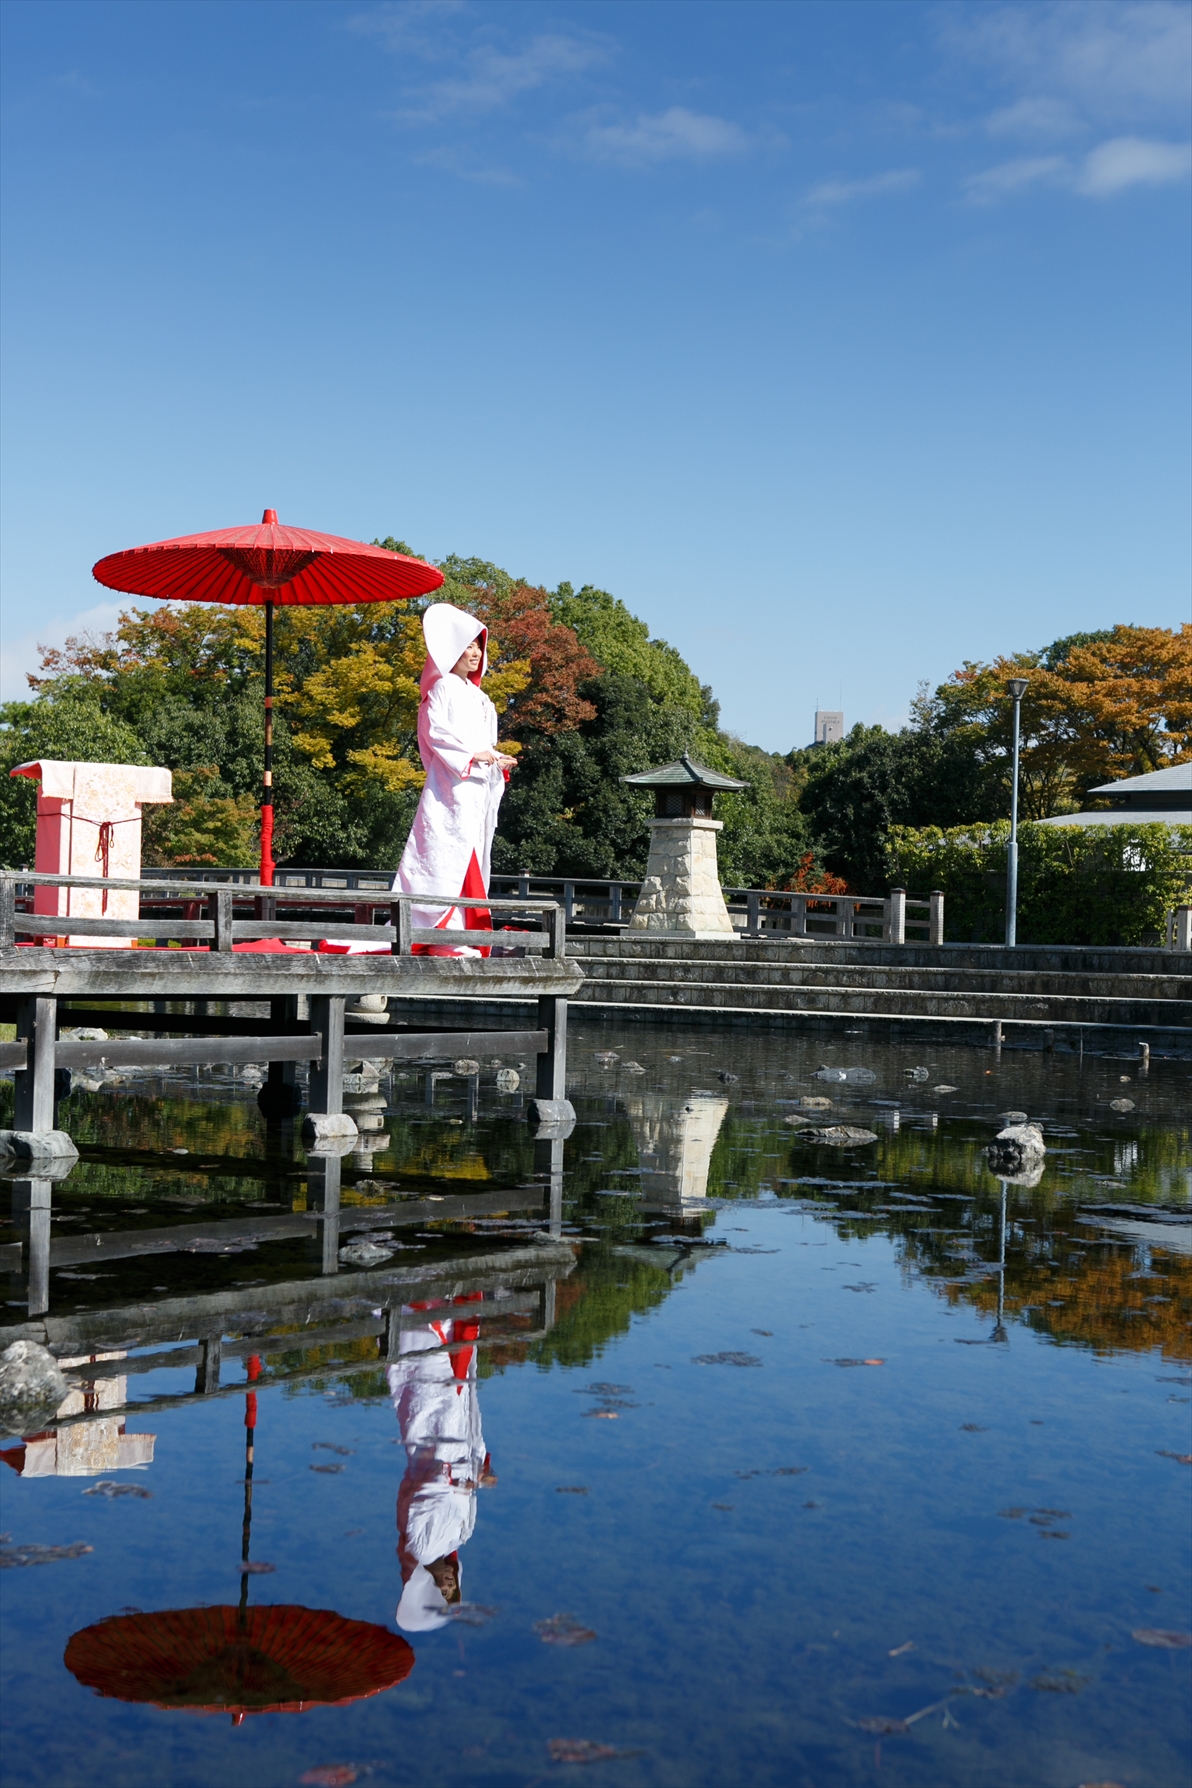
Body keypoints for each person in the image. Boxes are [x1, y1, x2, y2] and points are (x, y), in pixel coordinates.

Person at [394, 603, 517, 955]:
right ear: (453, 649)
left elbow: (485, 745)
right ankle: (436, 932)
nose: (476, 653)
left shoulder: (483, 700)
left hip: (476, 788)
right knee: (445, 855)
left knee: (473, 854)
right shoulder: (443, 687)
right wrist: (472, 756)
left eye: (479, 646)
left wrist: (495, 759)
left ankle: (462, 932)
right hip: (450, 786)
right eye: (469, 645)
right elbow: (436, 732)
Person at [389, 1295, 497, 1633]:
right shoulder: (461, 1535)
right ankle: (451, 1305)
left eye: (443, 1590)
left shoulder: (419, 1547)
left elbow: (419, 1498)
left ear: (429, 1586)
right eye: (453, 1589)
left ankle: (419, 1310)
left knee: (430, 1383)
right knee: (460, 1389)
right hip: (460, 1444)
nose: (449, 1583)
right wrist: (480, 1474)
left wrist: (451, 1482)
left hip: (430, 1448)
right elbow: (467, 1495)